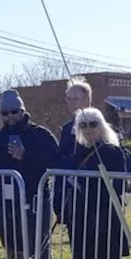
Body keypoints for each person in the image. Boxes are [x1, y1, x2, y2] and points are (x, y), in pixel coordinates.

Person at [0, 89, 59, 259]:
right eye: (4, 113)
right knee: (13, 248)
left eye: (13, 111)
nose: (9, 117)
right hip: (4, 203)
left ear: (22, 110)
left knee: (37, 249)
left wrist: (25, 156)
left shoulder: (40, 135)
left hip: (35, 200)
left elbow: (55, 163)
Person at [64, 107, 131, 259]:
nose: (89, 128)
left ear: (102, 126)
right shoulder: (77, 152)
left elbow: (119, 186)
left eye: (93, 123)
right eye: (83, 125)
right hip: (82, 220)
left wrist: (90, 186)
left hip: (106, 219)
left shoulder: (112, 151)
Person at [54, 78, 93, 220]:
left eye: (76, 99)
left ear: (87, 99)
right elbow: (61, 158)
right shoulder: (66, 128)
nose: (72, 103)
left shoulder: (98, 125)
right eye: (69, 99)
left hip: (92, 196)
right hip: (69, 196)